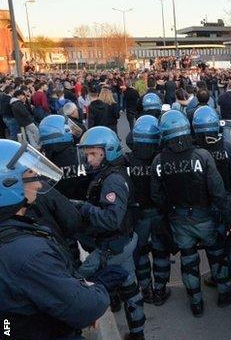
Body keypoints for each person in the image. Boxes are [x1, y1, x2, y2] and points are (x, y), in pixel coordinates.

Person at [0, 139, 118, 339]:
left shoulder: (15, 235)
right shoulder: (29, 254)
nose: (38, 184)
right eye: (30, 176)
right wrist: (95, 289)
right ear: (8, 185)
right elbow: (84, 307)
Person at [151, 110, 231, 317]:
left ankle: (196, 303)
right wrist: (228, 217)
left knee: (188, 259)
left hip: (178, 218)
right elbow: (218, 191)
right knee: (216, 254)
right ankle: (224, 292)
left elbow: (156, 195)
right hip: (205, 216)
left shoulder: (159, 161)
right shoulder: (202, 155)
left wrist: (171, 211)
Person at [75, 126, 146, 339]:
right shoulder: (107, 174)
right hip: (119, 241)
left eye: (93, 154)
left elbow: (112, 219)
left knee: (79, 280)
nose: (88, 159)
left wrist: (84, 208)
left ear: (108, 153)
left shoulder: (112, 180)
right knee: (129, 287)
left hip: (114, 244)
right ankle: (137, 332)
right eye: (86, 153)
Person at [191, 106, 231, 283]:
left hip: (204, 201)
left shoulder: (194, 152)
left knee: (213, 241)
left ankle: (220, 274)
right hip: (225, 195)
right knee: (228, 232)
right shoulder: (227, 146)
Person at [128, 115, 172, 306]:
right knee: (161, 252)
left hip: (138, 216)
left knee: (142, 253)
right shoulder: (162, 159)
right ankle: (160, 290)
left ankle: (146, 289)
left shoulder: (127, 160)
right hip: (159, 213)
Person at [38, 115, 89, 200]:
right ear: (63, 131)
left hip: (58, 205)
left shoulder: (41, 158)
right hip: (81, 203)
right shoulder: (80, 154)